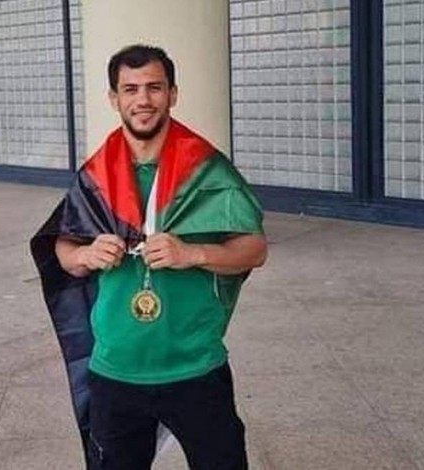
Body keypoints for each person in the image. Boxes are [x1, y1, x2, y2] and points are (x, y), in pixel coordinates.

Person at [31, 44, 267, 470]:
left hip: (195, 366)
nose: (143, 99)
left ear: (172, 94)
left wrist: (192, 252)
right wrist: (86, 252)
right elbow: (62, 250)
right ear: (114, 98)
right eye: (130, 89)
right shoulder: (96, 176)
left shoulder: (208, 170)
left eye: (154, 88)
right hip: (115, 369)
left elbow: (254, 249)